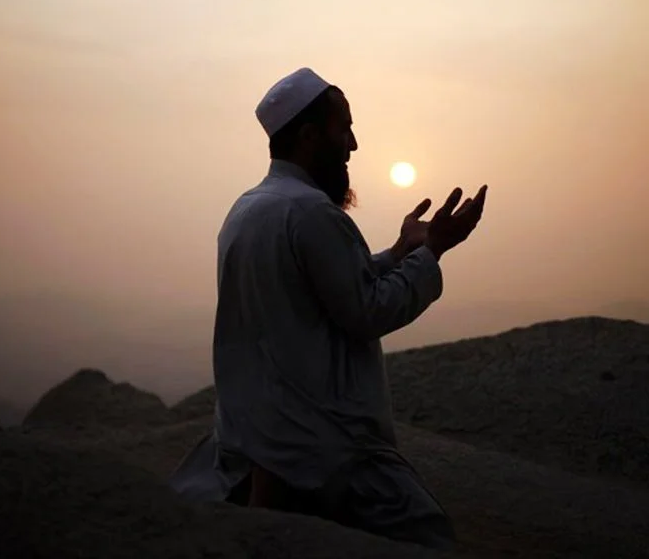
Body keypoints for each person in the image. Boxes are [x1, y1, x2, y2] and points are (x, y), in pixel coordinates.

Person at [168, 67, 488, 549]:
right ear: (310, 136)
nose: (354, 145)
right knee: (428, 540)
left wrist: (402, 250)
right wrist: (433, 252)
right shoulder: (312, 213)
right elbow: (367, 312)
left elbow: (327, 287)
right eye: (345, 129)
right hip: (319, 446)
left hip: (256, 436)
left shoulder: (249, 208)